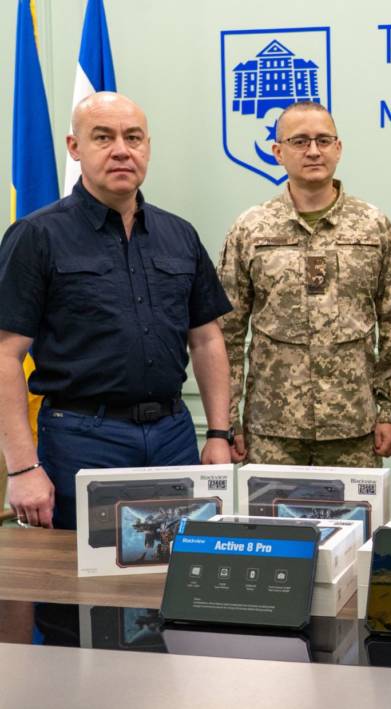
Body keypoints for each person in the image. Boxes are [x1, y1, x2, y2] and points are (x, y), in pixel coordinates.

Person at [0, 92, 233, 530]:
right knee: (79, 570)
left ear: (147, 147)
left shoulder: (179, 234)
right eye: (103, 137)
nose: (122, 150)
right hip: (83, 439)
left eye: (134, 138)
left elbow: (206, 339)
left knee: (177, 566)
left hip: (173, 438)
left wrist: (219, 433)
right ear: (75, 147)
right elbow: (5, 355)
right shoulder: (36, 236)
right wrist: (22, 468)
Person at [218, 101, 391, 467]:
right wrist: (226, 419)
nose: (314, 151)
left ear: (339, 148)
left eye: (323, 140)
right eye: (300, 141)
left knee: (358, 510)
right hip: (273, 431)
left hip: (354, 426)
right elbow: (228, 332)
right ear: (277, 152)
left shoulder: (373, 226)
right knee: (273, 510)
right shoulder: (250, 229)